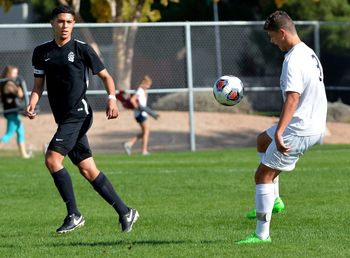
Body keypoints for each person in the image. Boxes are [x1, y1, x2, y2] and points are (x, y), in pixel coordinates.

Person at [26, 5, 139, 234]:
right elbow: (38, 86)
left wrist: (111, 99)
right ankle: (125, 211)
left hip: (79, 113)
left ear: (74, 24)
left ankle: (74, 214)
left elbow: (106, 77)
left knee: (52, 159)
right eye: (60, 21)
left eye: (69, 22)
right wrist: (33, 102)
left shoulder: (81, 49)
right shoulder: (41, 52)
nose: (65, 26)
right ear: (52, 23)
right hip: (63, 118)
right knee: (88, 169)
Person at [237, 10, 327, 244]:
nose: (272, 41)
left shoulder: (293, 60)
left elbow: (293, 98)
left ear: (283, 32)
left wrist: (279, 131)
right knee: (262, 140)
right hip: (311, 122)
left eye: (272, 37)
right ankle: (275, 200)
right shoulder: (307, 52)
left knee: (262, 175)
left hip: (300, 128)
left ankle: (261, 235)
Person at [0, 65, 32, 159]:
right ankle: (24, 154)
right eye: (14, 73)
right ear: (9, 74)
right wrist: (20, 85)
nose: (16, 75)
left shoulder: (9, 83)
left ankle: (24, 155)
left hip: (14, 111)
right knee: (9, 134)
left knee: (20, 132)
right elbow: (20, 94)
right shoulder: (9, 84)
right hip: (11, 112)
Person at [123, 75, 153, 155]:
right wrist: (138, 108)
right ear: (145, 83)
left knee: (144, 132)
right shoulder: (140, 90)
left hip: (141, 114)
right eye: (148, 85)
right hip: (140, 114)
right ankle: (144, 150)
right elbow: (133, 100)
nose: (149, 87)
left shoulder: (142, 91)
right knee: (146, 131)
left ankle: (129, 144)